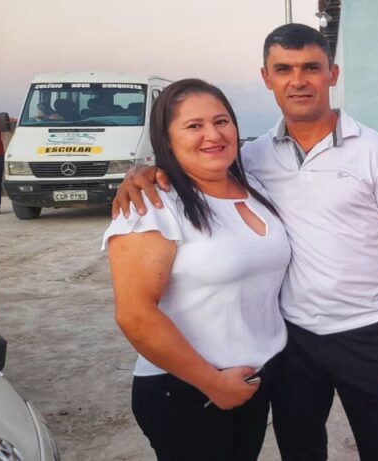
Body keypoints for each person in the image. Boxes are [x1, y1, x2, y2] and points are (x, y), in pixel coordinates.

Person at [113, 24, 378, 460]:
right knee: (300, 451)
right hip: (291, 341)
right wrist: (145, 173)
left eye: (311, 68)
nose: (298, 81)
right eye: (283, 69)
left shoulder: (376, 152)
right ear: (266, 77)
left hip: (366, 335)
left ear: (332, 74)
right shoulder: (252, 157)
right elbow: (194, 168)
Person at [104, 79, 289, 460]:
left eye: (221, 121)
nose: (213, 135)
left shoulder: (253, 186)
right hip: (186, 390)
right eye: (194, 126)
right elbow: (135, 314)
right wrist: (212, 384)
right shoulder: (153, 206)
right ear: (166, 138)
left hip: (251, 381)